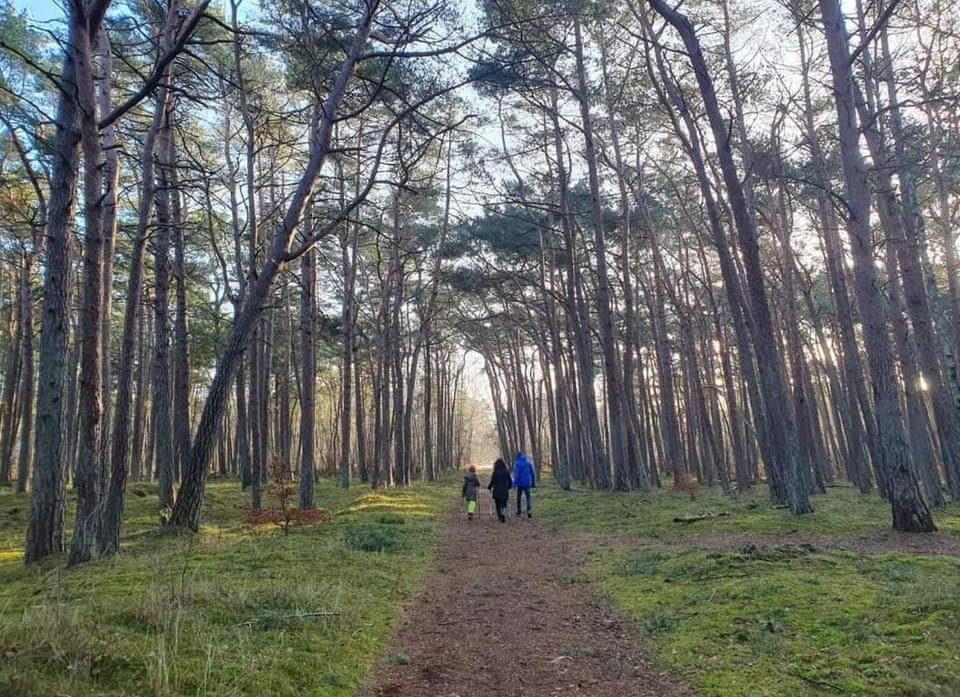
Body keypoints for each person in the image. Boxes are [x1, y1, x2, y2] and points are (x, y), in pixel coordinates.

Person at [487, 458, 512, 522]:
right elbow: (510, 481)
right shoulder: (506, 471)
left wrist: (489, 487)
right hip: (504, 490)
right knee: (504, 504)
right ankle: (503, 513)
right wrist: (509, 487)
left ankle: (499, 516)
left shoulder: (495, 472)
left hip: (497, 490)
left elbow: (492, 481)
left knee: (497, 504)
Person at [513, 451, 535, 518]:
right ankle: (529, 511)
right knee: (528, 497)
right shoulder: (528, 462)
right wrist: (533, 483)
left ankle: (519, 511)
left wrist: (514, 484)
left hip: (520, 483)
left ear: (518, 457)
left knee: (518, 497)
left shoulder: (517, 463)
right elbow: (532, 473)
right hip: (527, 483)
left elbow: (516, 475)